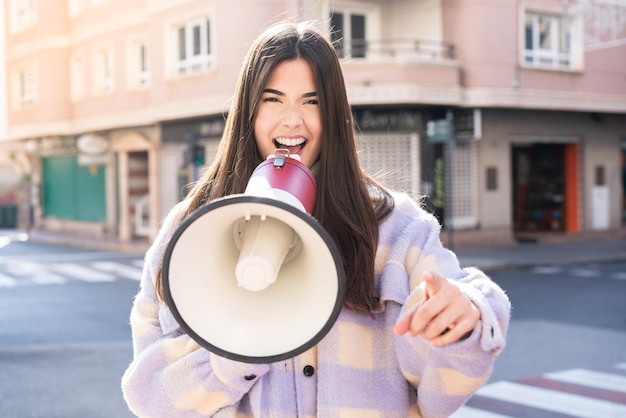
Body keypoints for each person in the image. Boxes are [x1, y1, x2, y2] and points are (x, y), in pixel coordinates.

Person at [121, 21, 511, 417]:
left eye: (312, 101)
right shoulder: (188, 231)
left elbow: (440, 394)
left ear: (334, 114)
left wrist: (463, 319)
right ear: (247, 111)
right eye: (273, 99)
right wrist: (236, 351)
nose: (293, 120)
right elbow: (153, 399)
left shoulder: (398, 229)